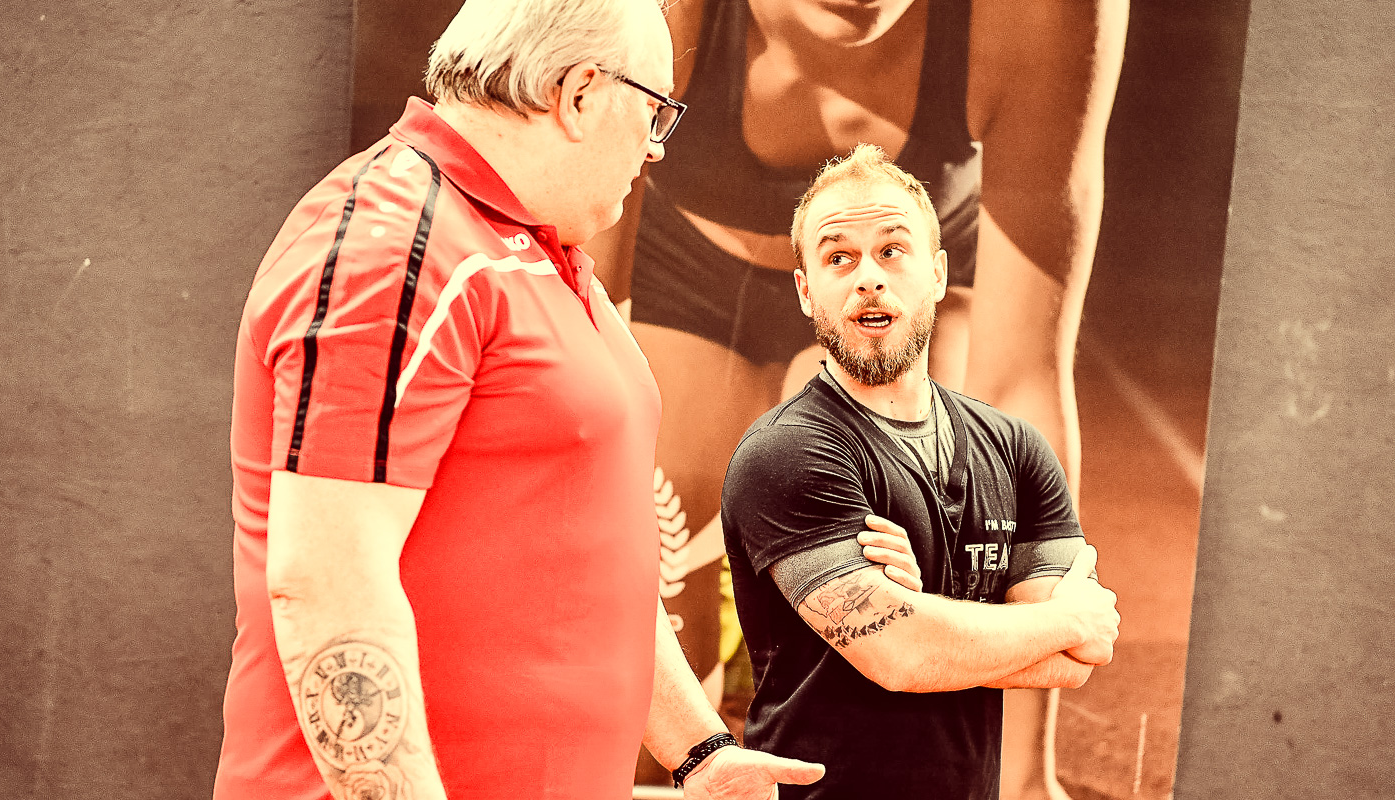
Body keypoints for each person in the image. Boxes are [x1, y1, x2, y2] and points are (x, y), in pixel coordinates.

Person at [211, 1, 826, 798]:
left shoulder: (542, 251)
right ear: (579, 92)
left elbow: (591, 549)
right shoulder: (394, 243)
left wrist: (701, 752)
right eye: (654, 113)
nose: (654, 147)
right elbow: (329, 584)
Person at [583, 1, 1128, 793]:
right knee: (654, 692)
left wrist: (1025, 778)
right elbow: (580, 352)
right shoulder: (658, 14)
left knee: (910, 589)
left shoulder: (1040, 15)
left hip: (900, 310)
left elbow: (1020, 378)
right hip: (683, 272)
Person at [718, 145, 1121, 800]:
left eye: (892, 250)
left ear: (936, 274)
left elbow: (1073, 666)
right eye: (838, 257)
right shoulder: (787, 453)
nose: (868, 278)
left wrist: (923, 608)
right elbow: (902, 655)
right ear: (805, 289)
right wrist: (1067, 619)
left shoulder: (1015, 449)